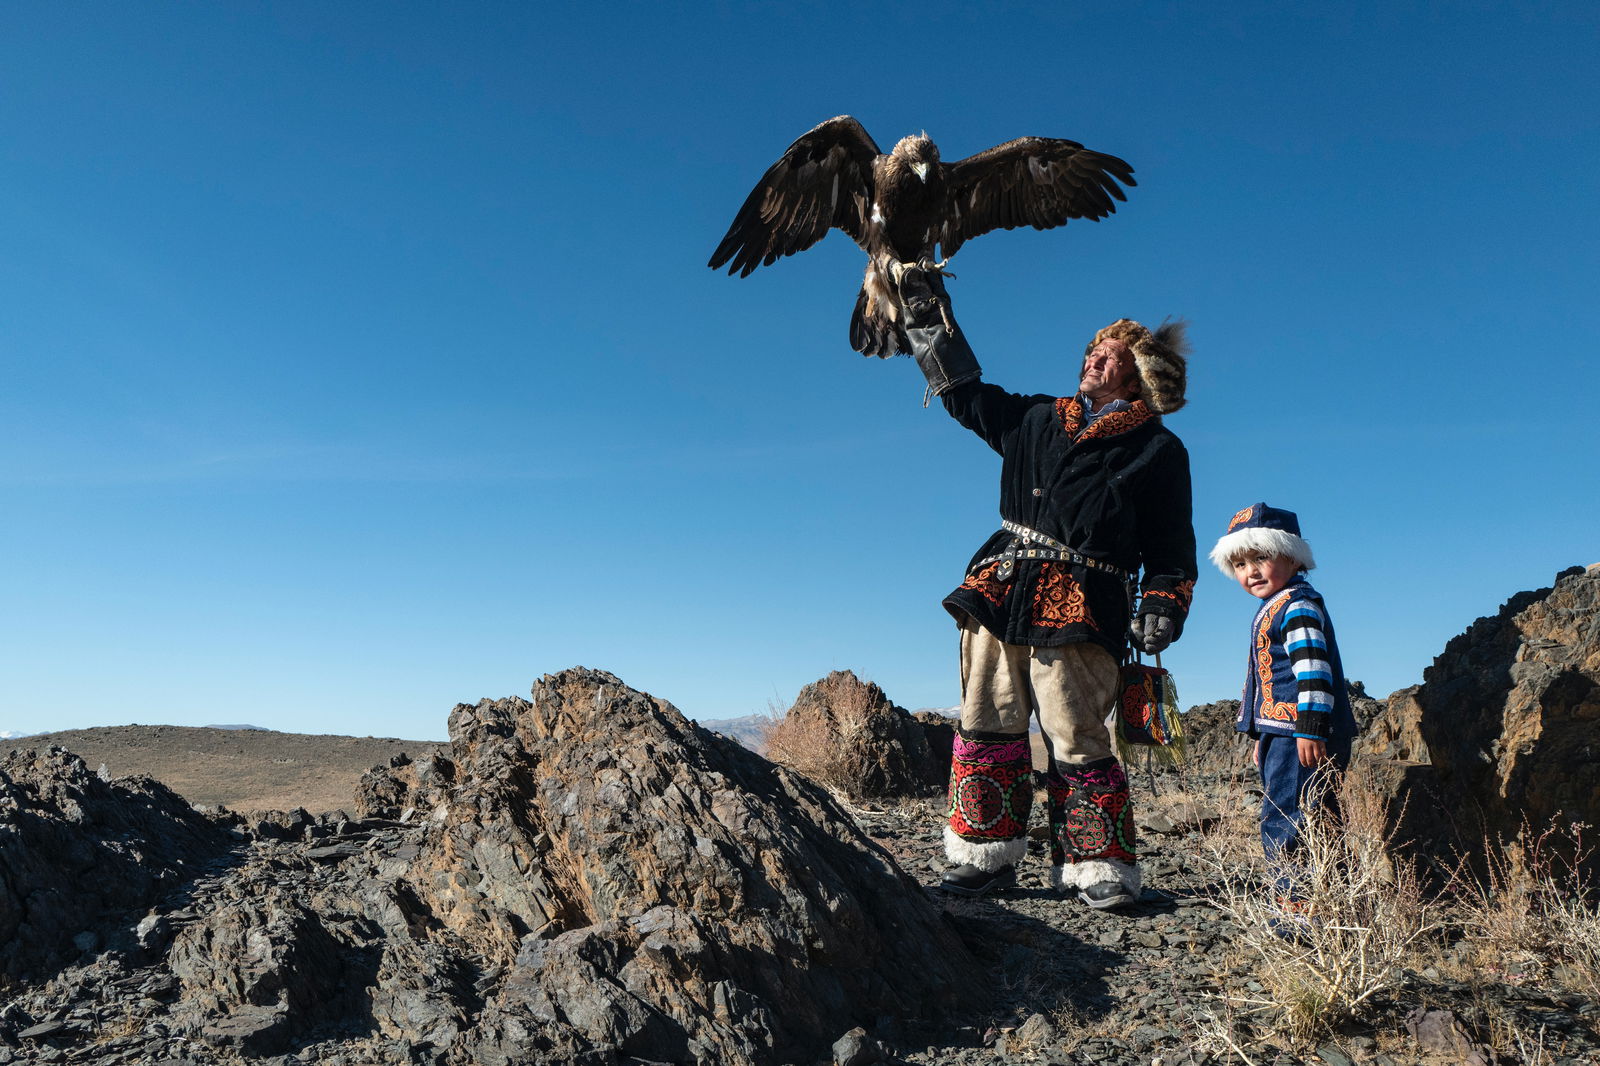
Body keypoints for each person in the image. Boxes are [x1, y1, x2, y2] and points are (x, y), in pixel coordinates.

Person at [896, 265, 1197, 909]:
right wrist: (928, 319)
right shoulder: (1034, 418)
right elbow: (965, 395)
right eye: (1091, 349)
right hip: (1002, 585)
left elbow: (1172, 548)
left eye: (1109, 354)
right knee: (986, 716)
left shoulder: (1159, 449)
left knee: (1076, 727)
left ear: (1137, 373)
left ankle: (1097, 865)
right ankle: (984, 856)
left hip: (1087, 599)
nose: (1093, 358)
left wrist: (1163, 605)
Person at [1207, 503, 1357, 880]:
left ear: (1291, 557)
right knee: (1315, 814)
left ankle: (1295, 908)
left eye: (1261, 557)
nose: (1250, 571)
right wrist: (1263, 735)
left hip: (1302, 734)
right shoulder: (1277, 605)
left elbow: (1313, 670)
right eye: (1239, 564)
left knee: (1289, 816)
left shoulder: (1297, 606)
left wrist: (1308, 727)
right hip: (1285, 732)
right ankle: (1331, 900)